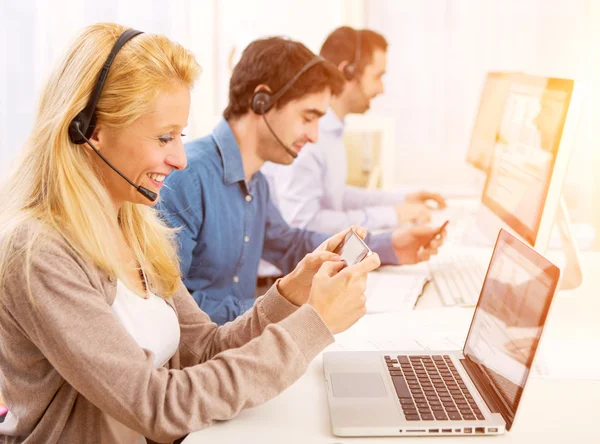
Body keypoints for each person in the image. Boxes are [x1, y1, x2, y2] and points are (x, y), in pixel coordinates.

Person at [0, 23, 381, 443]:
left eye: (180, 136)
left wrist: (292, 294)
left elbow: (203, 349)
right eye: (164, 138)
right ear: (88, 130)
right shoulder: (39, 252)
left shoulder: (136, 227)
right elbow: (157, 406)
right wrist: (312, 326)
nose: (180, 158)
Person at [159, 36, 445, 325]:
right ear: (262, 101)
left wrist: (390, 246)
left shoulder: (256, 182)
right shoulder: (186, 177)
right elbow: (176, 311)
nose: (314, 136)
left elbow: (291, 246)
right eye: (307, 118)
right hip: (213, 360)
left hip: (245, 346)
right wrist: (296, 306)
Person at [262, 26, 448, 234]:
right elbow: (304, 222)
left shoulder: (331, 130)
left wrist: (401, 200)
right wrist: (393, 215)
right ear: (347, 72)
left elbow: (336, 196)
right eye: (377, 77)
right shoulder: (308, 136)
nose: (381, 89)